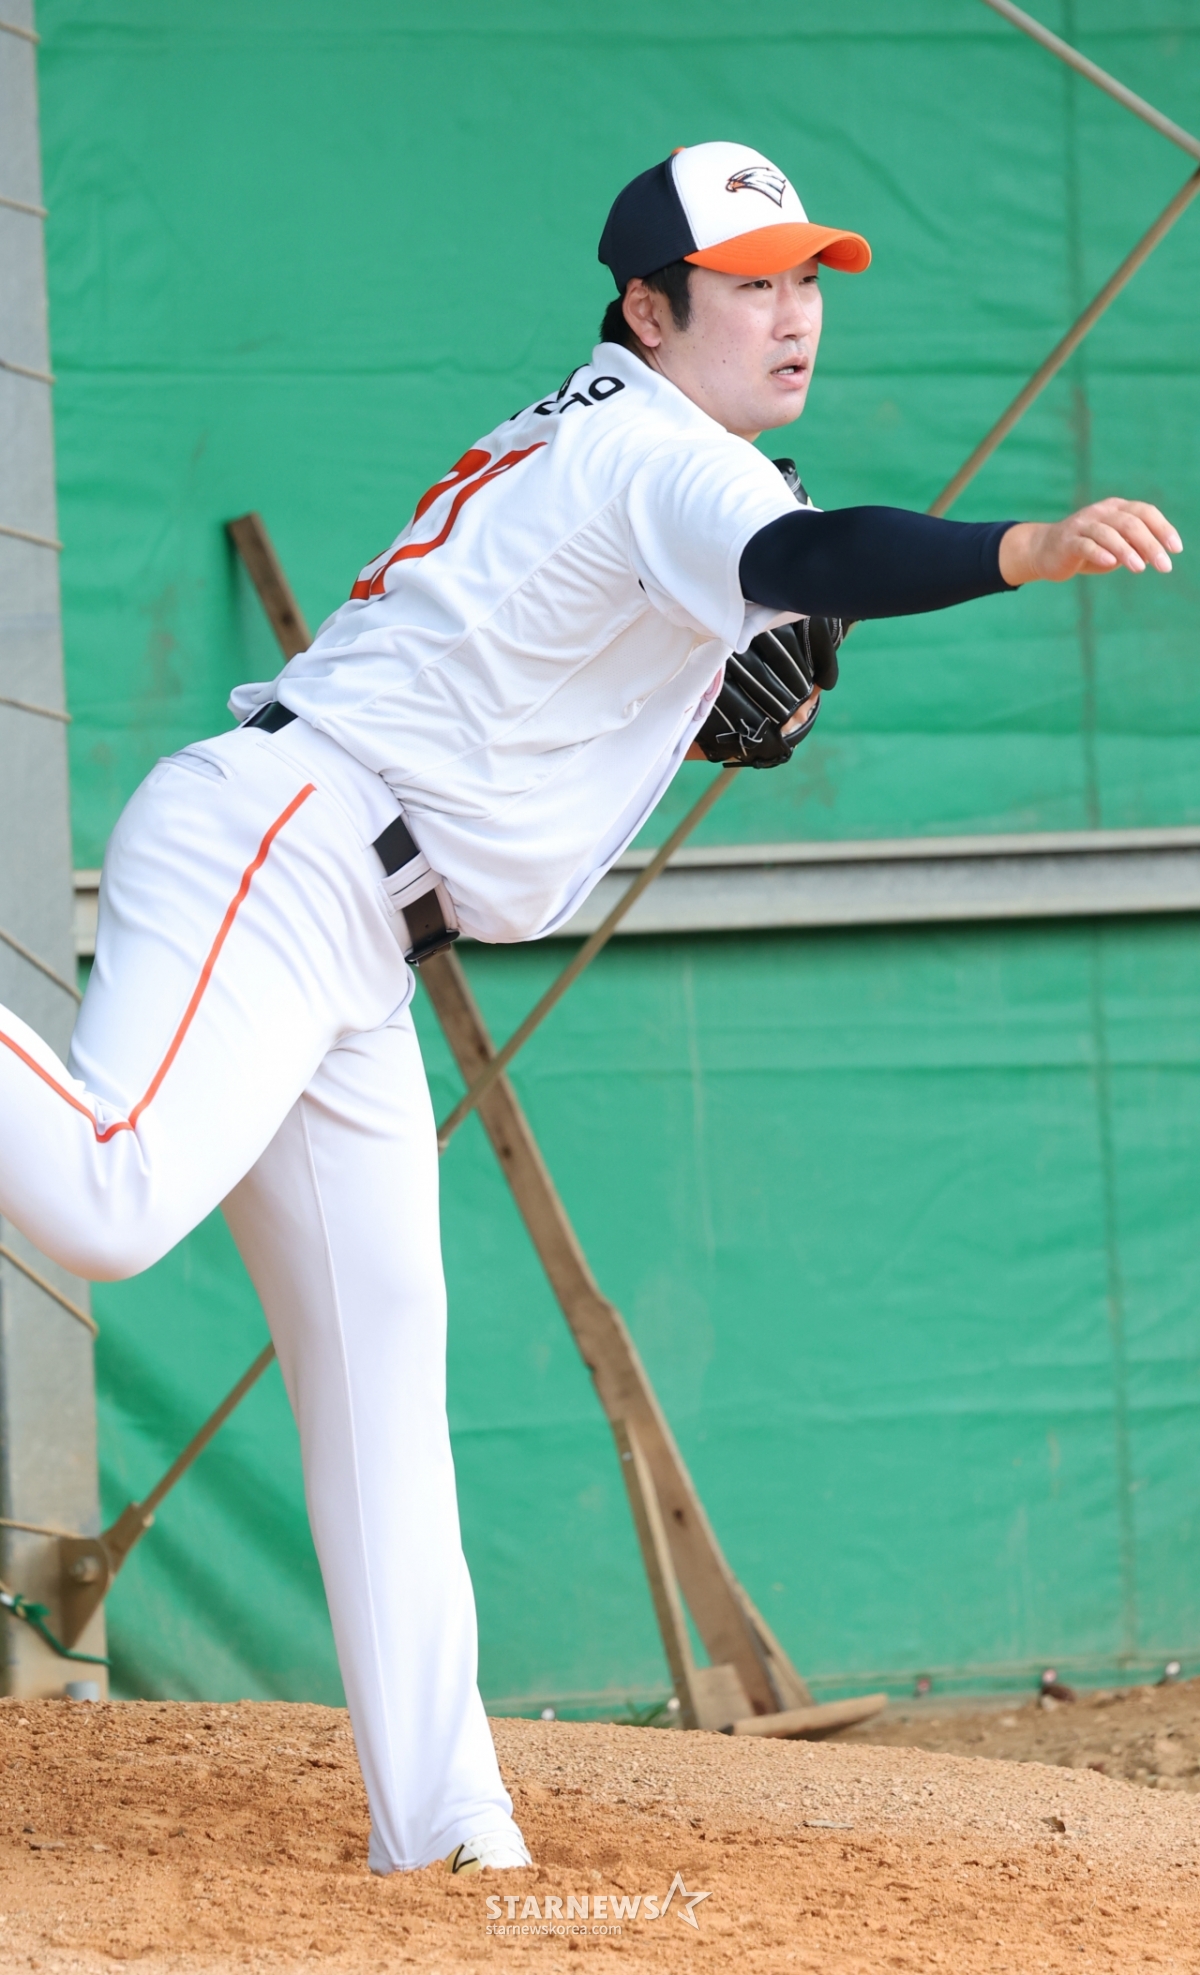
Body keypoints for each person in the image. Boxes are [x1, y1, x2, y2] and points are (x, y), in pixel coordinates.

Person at [0, 142, 1179, 1876]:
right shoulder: (659, 453)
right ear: (648, 306)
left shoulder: (624, 446)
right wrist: (1023, 546)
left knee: (381, 1377)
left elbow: (680, 610)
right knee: (111, 1192)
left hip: (359, 921)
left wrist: (690, 680)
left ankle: (446, 1831)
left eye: (809, 278)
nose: (795, 314)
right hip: (289, 848)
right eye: (751, 283)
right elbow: (819, 544)